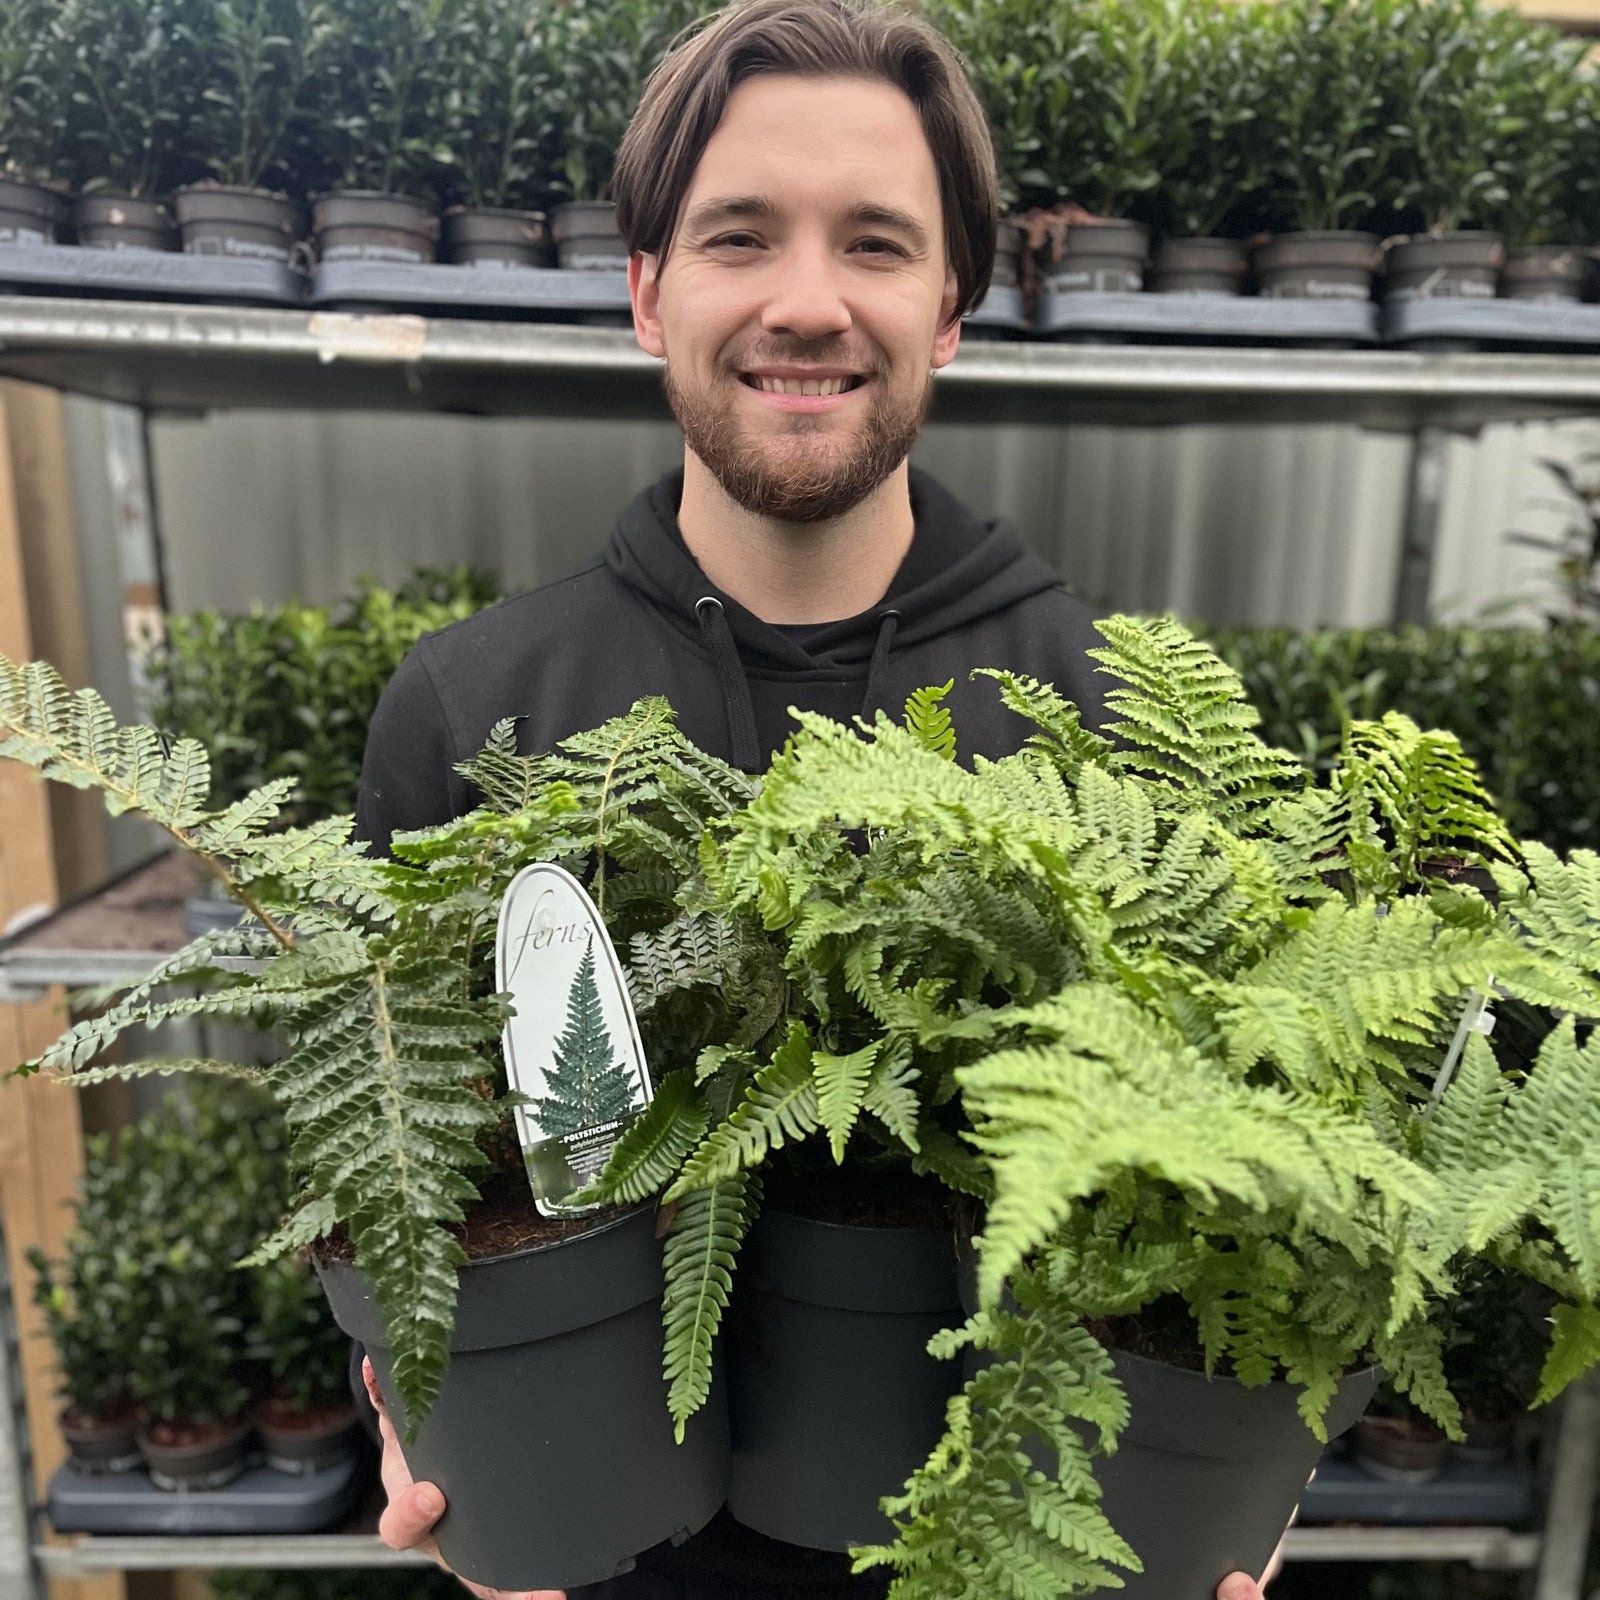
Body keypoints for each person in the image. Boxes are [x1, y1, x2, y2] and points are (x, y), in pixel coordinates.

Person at [353, 2, 1283, 1597]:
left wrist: (1238, 1474)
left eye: (873, 242)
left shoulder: (1125, 725)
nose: (806, 301)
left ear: (952, 309)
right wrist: (418, 1424)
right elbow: (391, 1184)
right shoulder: (471, 712)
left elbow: (1242, 1208)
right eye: (738, 237)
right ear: (648, 295)